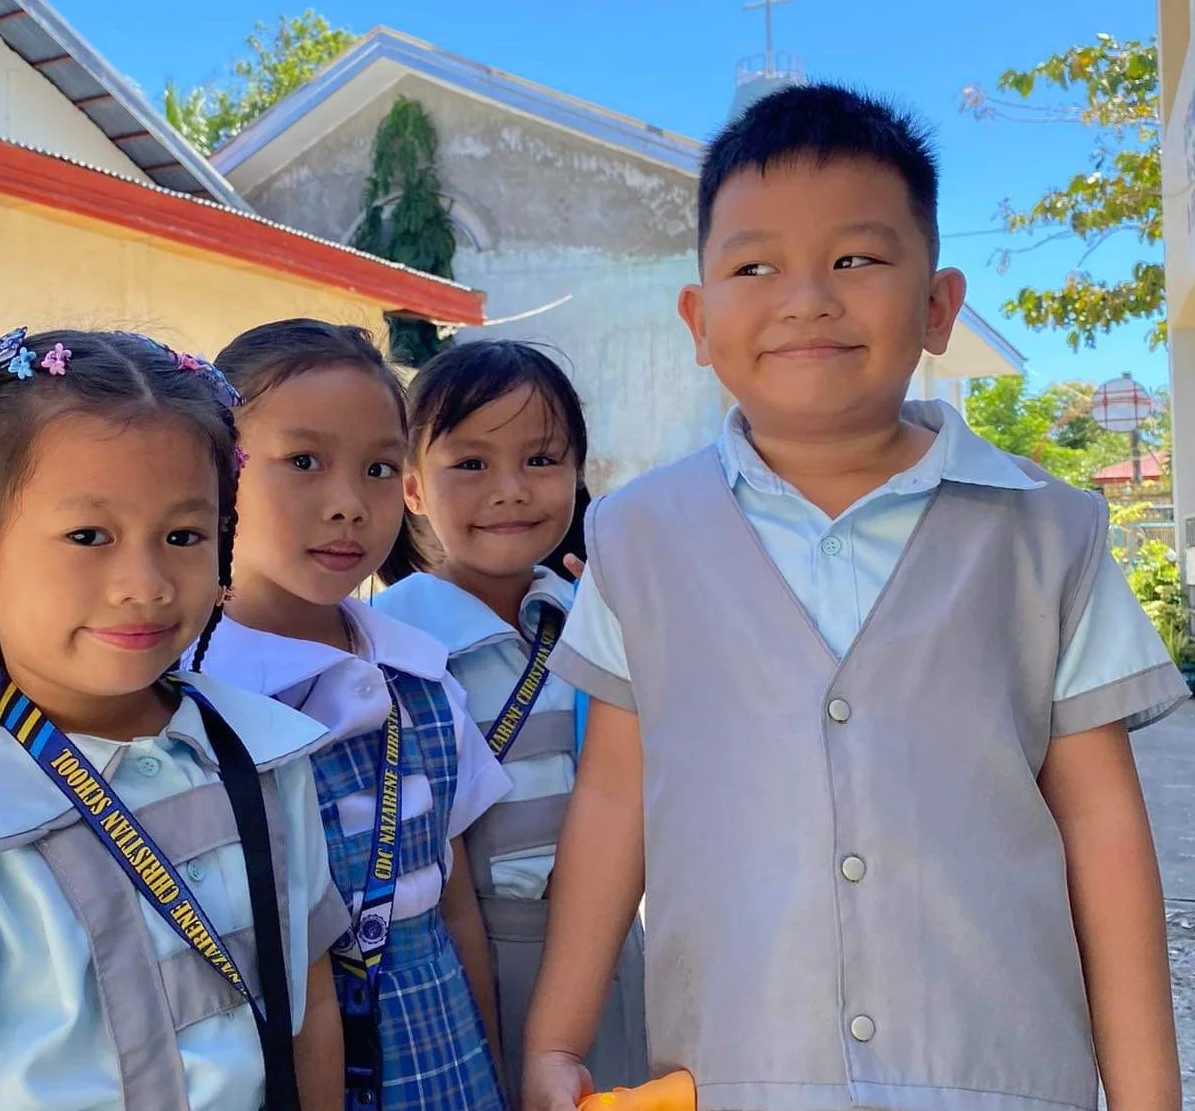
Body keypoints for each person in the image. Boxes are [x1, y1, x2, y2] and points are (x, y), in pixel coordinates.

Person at [523, 85, 1187, 1111]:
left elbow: (1101, 826)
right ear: (698, 320)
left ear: (937, 306)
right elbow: (612, 800)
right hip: (736, 1075)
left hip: (997, 1077)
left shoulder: (1046, 535)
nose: (805, 298)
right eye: (754, 267)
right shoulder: (636, 537)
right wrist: (556, 1036)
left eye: (856, 259)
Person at [0, 328, 347, 1111]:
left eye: (183, 535)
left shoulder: (266, 754)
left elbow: (308, 1009)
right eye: (88, 536)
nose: (145, 583)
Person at [193, 319, 513, 1111]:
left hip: (445, 1052)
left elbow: (455, 903)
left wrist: (497, 1072)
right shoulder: (186, 701)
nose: (348, 505)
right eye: (303, 461)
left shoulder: (421, 677)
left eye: (378, 468)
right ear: (213, 468)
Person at [371, 340, 646, 1102]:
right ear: (413, 486)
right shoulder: (388, 644)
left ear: (577, 473)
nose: (510, 490)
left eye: (540, 459)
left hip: (609, 946)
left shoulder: (596, 618)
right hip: (466, 955)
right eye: (470, 463)